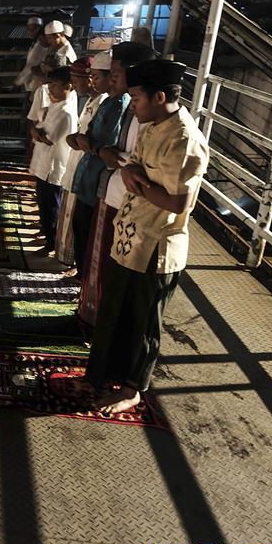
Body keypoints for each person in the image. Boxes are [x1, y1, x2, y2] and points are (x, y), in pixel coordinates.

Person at [88, 59, 209, 413]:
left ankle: (132, 388)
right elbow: (132, 171)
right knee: (116, 310)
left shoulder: (184, 139)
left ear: (159, 96)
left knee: (144, 321)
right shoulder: (153, 125)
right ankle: (102, 374)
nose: (133, 105)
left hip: (157, 244)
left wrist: (138, 181)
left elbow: (174, 200)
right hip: (130, 234)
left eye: (137, 98)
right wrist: (138, 179)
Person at [78, 42, 156, 327]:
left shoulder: (146, 116)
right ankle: (93, 320)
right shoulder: (128, 107)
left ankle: (101, 327)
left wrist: (104, 153)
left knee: (113, 272)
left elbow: (134, 162)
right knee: (98, 263)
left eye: (115, 74)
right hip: (111, 194)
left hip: (126, 202)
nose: (111, 80)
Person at [57, 54, 109, 266]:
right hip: (78, 163)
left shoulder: (104, 101)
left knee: (82, 223)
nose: (74, 84)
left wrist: (78, 139)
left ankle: (78, 268)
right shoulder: (91, 99)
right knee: (73, 218)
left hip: (87, 168)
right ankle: (71, 261)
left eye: (77, 80)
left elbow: (91, 139)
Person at [28, 66, 79, 253]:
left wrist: (36, 132)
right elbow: (37, 130)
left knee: (51, 207)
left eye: (55, 85)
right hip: (43, 164)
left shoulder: (66, 112)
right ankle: (48, 237)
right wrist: (36, 132)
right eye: (50, 84)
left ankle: (52, 242)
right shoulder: (54, 106)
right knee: (44, 203)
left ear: (69, 87)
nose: (50, 89)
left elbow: (46, 137)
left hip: (53, 167)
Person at [14, 16, 46, 93]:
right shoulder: (35, 43)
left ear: (40, 29)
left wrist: (18, 81)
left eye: (34, 28)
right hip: (32, 84)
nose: (31, 31)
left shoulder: (40, 45)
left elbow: (31, 65)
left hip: (34, 85)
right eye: (29, 28)